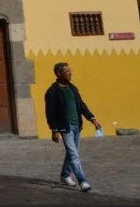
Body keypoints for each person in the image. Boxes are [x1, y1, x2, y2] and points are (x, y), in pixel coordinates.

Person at [44, 62, 101, 192]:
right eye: (67, 71)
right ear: (59, 73)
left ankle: (65, 175)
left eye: (70, 71)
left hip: (77, 126)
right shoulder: (52, 92)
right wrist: (54, 130)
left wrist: (92, 119)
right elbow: (50, 113)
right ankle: (83, 181)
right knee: (74, 155)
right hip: (65, 127)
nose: (70, 73)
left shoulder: (73, 88)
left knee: (72, 153)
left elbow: (81, 105)